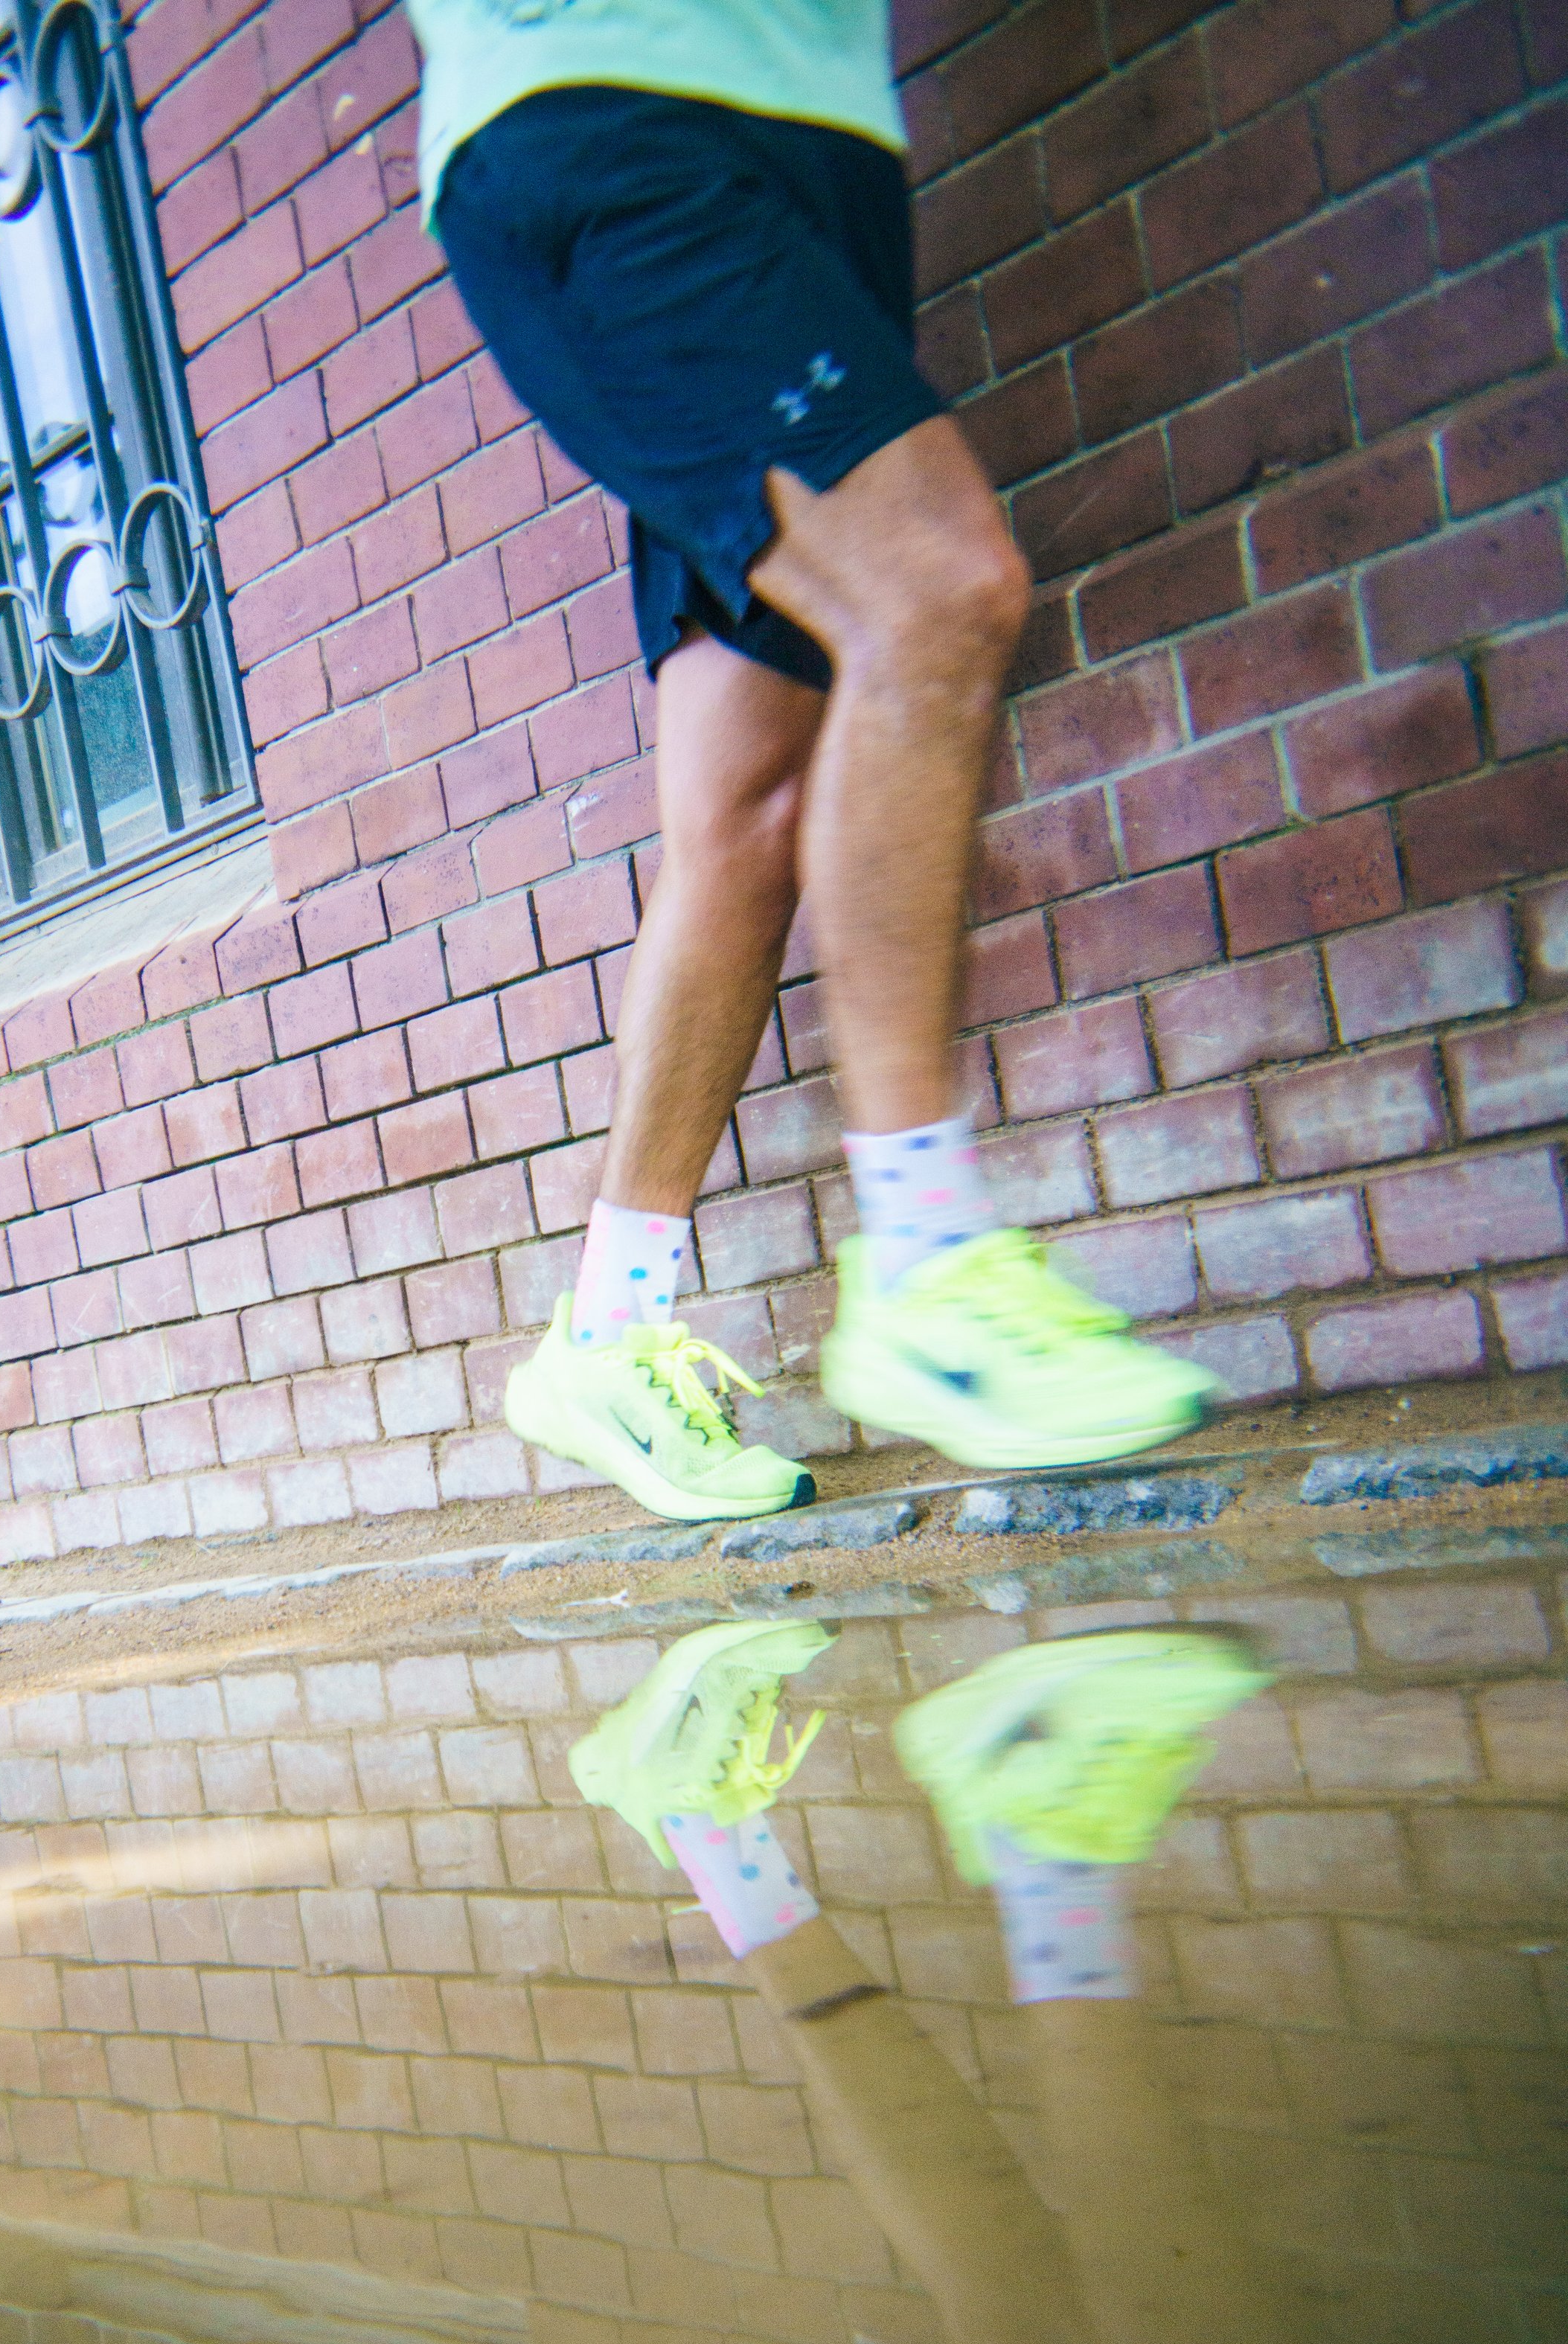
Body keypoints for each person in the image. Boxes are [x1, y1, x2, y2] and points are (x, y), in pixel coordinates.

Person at [406, 0, 1219, 1525]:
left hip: (812, 151)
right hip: (599, 118)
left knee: (747, 809)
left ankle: (604, 1329)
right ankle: (919, 1258)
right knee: (933, 588)